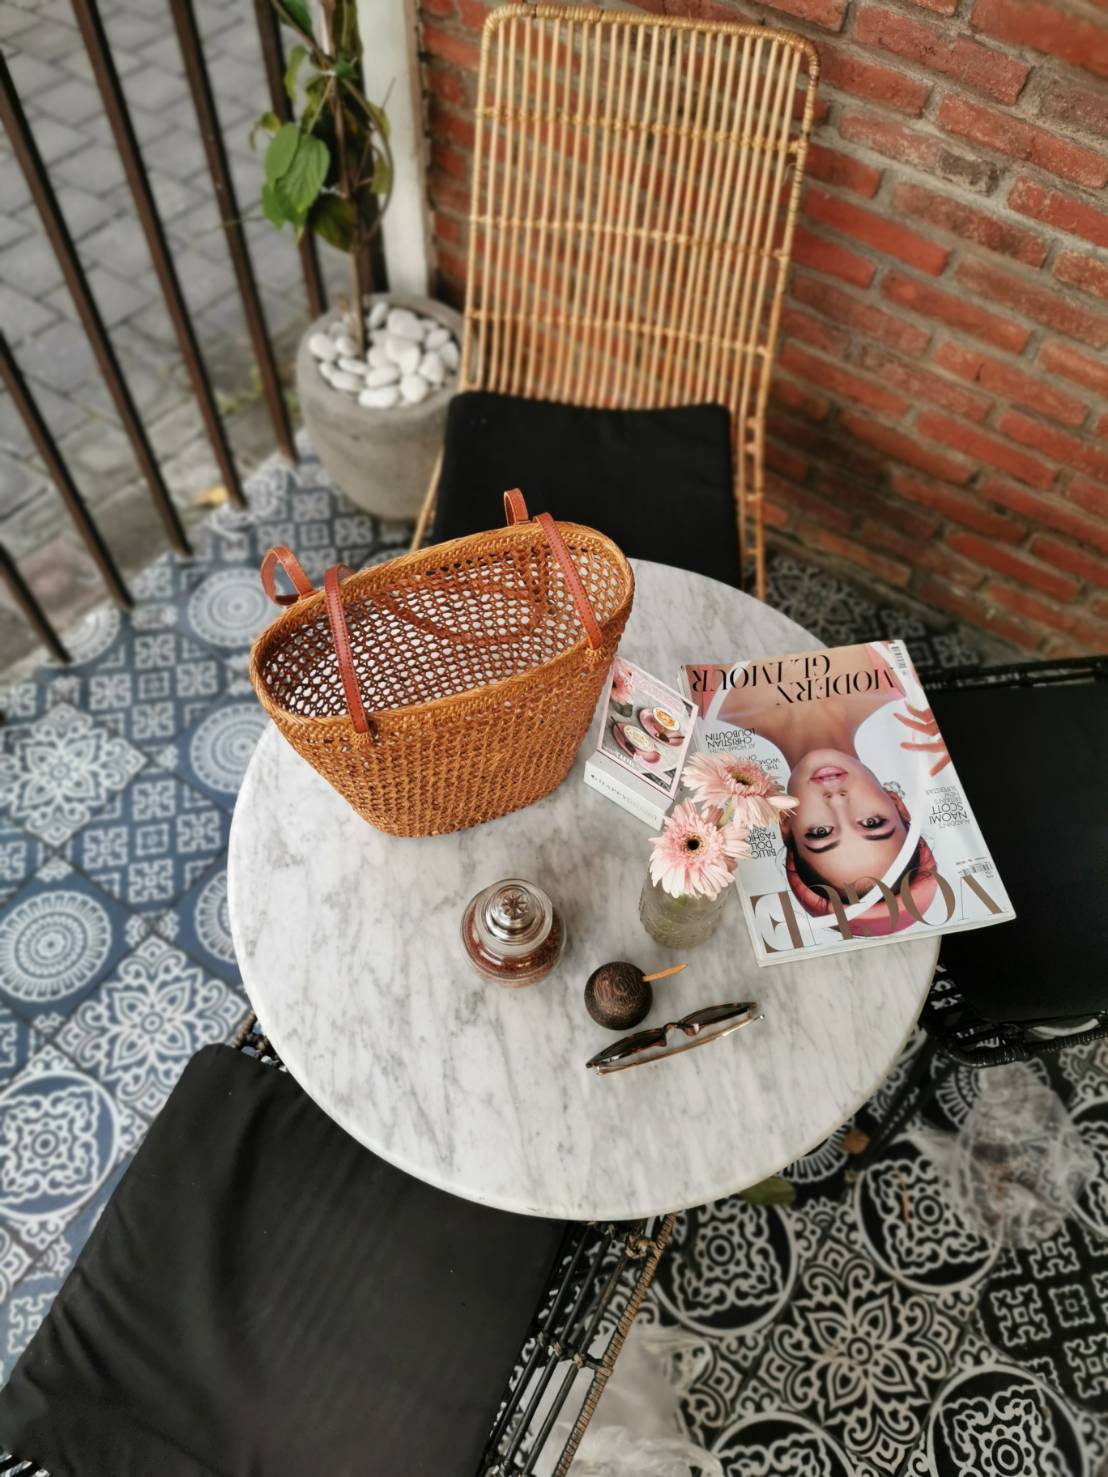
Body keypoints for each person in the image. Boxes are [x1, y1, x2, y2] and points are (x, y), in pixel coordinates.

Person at [718, 645, 946, 932]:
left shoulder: (709, 700)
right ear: (897, 804)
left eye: (821, 832)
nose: (837, 801)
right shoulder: (893, 672)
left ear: (786, 823)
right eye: (872, 823)